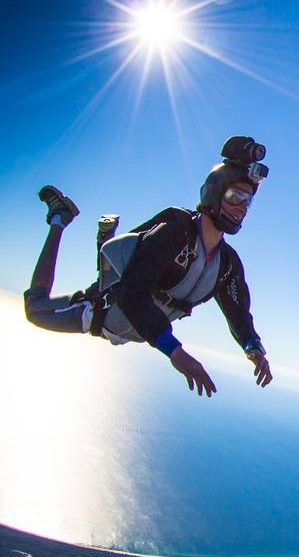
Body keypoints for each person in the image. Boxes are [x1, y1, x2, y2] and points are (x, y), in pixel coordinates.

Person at [23, 137, 273, 400]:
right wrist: (175, 351)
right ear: (214, 192)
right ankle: (60, 218)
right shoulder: (175, 232)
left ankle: (104, 237)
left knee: (120, 275)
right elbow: (133, 292)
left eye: (248, 201)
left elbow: (239, 314)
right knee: (34, 309)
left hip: (131, 328)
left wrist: (253, 347)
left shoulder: (227, 265)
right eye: (235, 197)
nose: (242, 209)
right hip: (96, 312)